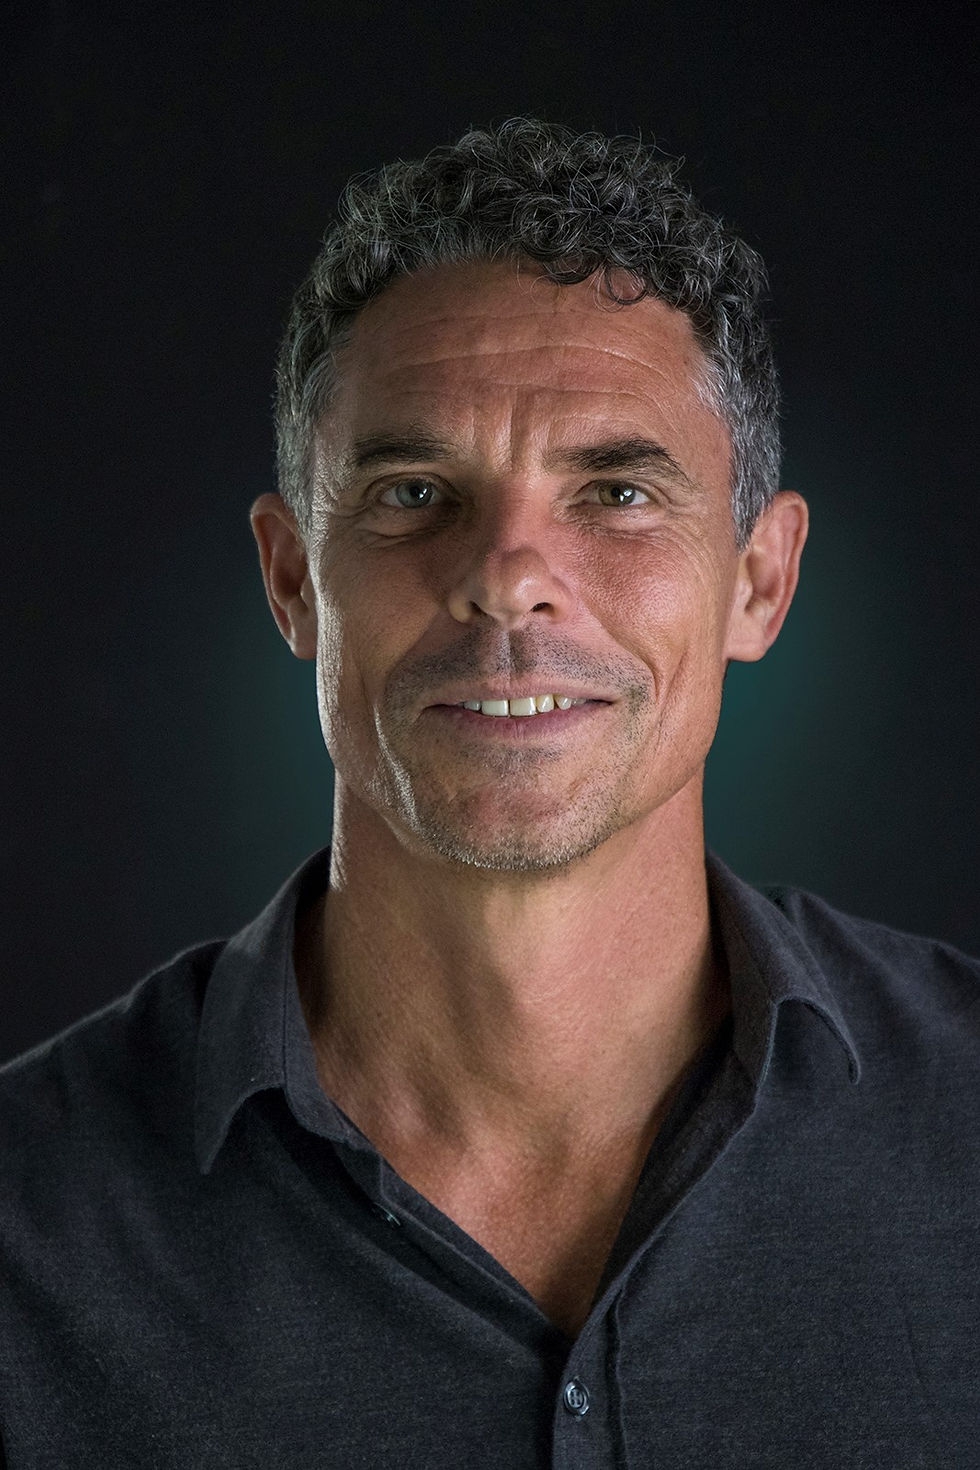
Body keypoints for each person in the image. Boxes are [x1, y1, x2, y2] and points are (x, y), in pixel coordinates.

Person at [1, 118, 977, 1469]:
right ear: (293, 580)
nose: (510, 574)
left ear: (759, 579)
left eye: (619, 490)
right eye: (414, 491)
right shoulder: (26, 1232)